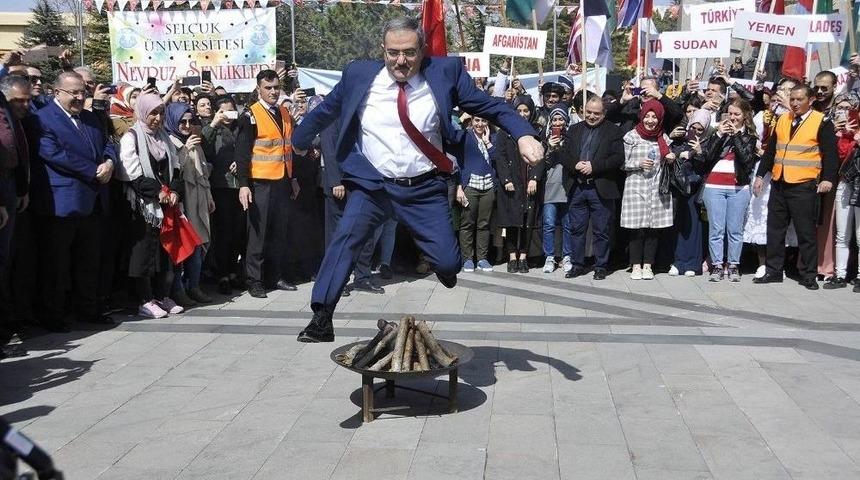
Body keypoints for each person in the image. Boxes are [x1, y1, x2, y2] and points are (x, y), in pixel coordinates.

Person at [291, 17, 542, 342]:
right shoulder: (358, 75)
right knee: (345, 240)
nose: (401, 61)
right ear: (383, 49)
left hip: (423, 189)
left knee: (449, 263)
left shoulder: (445, 73)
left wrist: (523, 134)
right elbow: (326, 111)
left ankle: (445, 265)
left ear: (422, 50)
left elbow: (491, 106)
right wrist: (299, 137)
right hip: (374, 187)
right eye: (393, 52)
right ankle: (321, 317)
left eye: (409, 52)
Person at [25, 71, 116, 331]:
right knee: (57, 263)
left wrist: (109, 162)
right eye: (73, 92)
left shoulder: (89, 118)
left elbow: (108, 144)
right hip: (62, 202)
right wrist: (94, 170)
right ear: (57, 93)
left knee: (89, 260)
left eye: (82, 92)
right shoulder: (41, 119)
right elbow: (53, 153)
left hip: (93, 201)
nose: (79, 97)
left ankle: (87, 309)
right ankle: (53, 314)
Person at [753, 85, 839, 289]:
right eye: (792, 99)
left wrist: (827, 178)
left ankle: (808, 275)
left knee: (805, 231)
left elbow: (831, 154)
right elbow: (771, 150)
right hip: (779, 182)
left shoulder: (821, 121)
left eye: (800, 99)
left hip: (804, 184)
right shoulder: (783, 119)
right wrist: (760, 175)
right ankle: (773, 271)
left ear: (810, 101)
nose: (795, 103)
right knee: (774, 230)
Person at [116, 93, 185, 318]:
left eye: (161, 113)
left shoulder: (165, 138)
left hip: (165, 206)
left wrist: (174, 190)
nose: (157, 118)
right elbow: (132, 175)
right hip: (143, 208)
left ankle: (163, 296)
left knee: (166, 253)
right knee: (144, 255)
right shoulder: (132, 137)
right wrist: (158, 192)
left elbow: (176, 168)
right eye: (153, 113)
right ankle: (145, 300)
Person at [235, 69, 299, 298]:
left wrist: (292, 179)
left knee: (278, 231)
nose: (273, 92)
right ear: (259, 89)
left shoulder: (284, 112)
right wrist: (243, 184)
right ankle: (254, 280)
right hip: (259, 182)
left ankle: (275, 275)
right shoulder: (250, 115)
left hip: (282, 180)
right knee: (258, 234)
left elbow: (287, 148)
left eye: (276, 87)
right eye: (268, 88)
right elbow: (242, 153)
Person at [558, 96, 624, 280]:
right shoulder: (574, 129)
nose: (592, 116)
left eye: (596, 113)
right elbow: (563, 154)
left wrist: (594, 166)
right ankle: (577, 264)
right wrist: (575, 164)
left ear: (603, 113)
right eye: (588, 112)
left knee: (601, 230)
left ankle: (601, 265)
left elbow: (618, 158)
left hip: (600, 187)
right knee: (577, 229)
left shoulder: (613, 131)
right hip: (577, 187)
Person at [699, 99, 757, 282]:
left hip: (738, 187)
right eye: (730, 114)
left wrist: (736, 136)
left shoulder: (749, 137)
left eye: (736, 114)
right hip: (714, 186)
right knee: (716, 228)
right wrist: (718, 135)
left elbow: (747, 160)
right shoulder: (717, 133)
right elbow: (706, 157)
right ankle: (716, 264)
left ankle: (733, 265)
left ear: (745, 116)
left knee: (735, 229)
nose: (732, 118)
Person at [164, 102, 214, 305]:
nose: (186, 125)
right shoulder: (169, 142)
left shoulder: (195, 141)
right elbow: (173, 173)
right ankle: (178, 289)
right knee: (183, 246)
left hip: (199, 200)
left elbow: (203, 173)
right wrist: (185, 150)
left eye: (190, 121)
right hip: (181, 202)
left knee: (199, 244)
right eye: (181, 121)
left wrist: (209, 197)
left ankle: (194, 286)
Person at [620, 100, 674, 280]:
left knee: (653, 229)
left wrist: (670, 157)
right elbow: (622, 163)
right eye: (648, 116)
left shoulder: (663, 138)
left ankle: (648, 265)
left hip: (657, 188)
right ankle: (635, 265)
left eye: (654, 117)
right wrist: (638, 164)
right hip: (636, 186)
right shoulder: (631, 136)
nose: (651, 120)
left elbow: (666, 159)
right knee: (637, 229)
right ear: (642, 116)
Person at [495, 95, 545, 274]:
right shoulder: (504, 131)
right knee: (511, 222)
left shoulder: (536, 131)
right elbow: (499, 157)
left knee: (527, 221)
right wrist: (506, 180)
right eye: (519, 111)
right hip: (512, 184)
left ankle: (523, 256)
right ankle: (512, 257)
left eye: (526, 111)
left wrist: (534, 178)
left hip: (528, 182)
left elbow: (541, 157)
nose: (523, 114)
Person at [201, 95, 246, 294]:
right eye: (223, 111)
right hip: (220, 186)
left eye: (231, 110)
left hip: (241, 186)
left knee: (238, 231)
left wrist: (243, 162)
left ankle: (234, 272)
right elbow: (204, 149)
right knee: (223, 233)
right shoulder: (212, 128)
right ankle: (222, 274)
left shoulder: (241, 128)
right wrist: (214, 123)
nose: (228, 115)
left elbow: (249, 149)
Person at [0, 75, 30, 357]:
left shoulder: (13, 118)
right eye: (17, 100)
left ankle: (9, 325)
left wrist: (21, 188)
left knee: (7, 262)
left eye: (28, 99)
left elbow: (15, 152)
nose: (25, 105)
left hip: (11, 189)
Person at [667, 107, 709, 277]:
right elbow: (668, 155)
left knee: (693, 227)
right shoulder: (678, 140)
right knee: (677, 225)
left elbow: (706, 165)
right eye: (693, 127)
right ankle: (678, 261)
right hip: (677, 188)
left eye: (701, 129)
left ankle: (692, 263)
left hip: (695, 188)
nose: (696, 132)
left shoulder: (707, 142)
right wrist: (672, 142)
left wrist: (697, 153)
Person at [824, 92, 860, 290]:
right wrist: (837, 134)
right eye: (840, 108)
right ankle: (840, 275)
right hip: (844, 183)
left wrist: (855, 136)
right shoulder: (835, 131)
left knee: (859, 234)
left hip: (859, 184)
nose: (844, 112)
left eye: (848, 108)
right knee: (842, 233)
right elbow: (835, 157)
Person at [455, 115, 497, 273]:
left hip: (488, 186)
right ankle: (467, 258)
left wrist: (487, 142)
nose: (480, 124)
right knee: (467, 224)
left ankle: (482, 258)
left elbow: (496, 158)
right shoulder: (465, 136)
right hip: (470, 185)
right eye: (477, 120)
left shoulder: (493, 137)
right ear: (471, 121)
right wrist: (459, 187)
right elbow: (458, 162)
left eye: (484, 120)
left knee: (484, 224)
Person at [540, 106, 573, 274]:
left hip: (567, 186)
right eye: (554, 120)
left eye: (561, 119)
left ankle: (567, 256)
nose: (558, 123)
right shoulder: (544, 140)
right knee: (549, 224)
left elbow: (572, 161)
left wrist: (561, 148)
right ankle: (549, 257)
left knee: (568, 225)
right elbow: (540, 164)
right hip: (550, 187)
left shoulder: (571, 139)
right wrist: (549, 148)